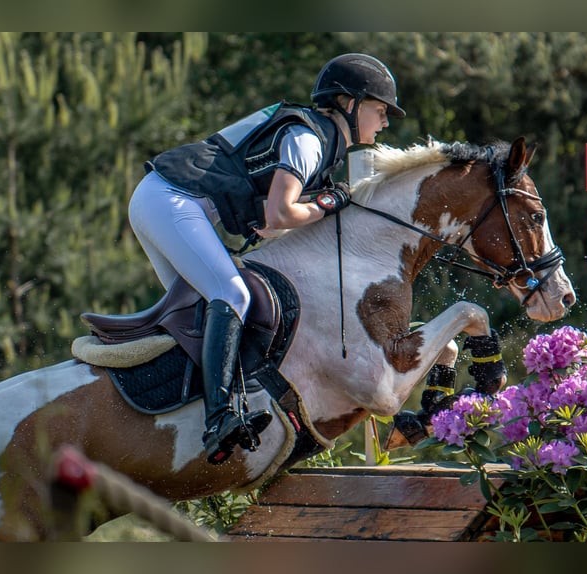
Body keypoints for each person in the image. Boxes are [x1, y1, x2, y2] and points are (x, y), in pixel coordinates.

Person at [128, 53, 406, 465]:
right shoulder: (308, 139)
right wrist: (329, 203)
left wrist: (322, 204)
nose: (384, 122)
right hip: (171, 200)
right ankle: (219, 417)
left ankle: (183, 412)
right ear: (349, 103)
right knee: (232, 294)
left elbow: (271, 228)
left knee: (200, 311)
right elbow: (280, 215)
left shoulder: (319, 143)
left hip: (164, 200)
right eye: (379, 110)